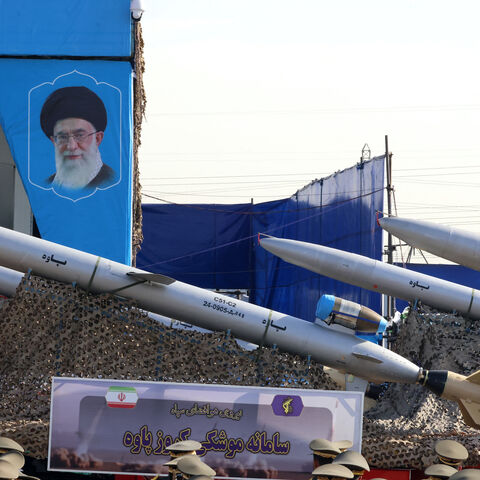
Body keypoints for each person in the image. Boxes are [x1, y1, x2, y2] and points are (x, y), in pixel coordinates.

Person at [40, 86, 114, 190]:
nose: (71, 146)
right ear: (54, 141)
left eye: (79, 136)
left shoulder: (111, 182)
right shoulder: (49, 185)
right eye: (63, 137)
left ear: (97, 139)